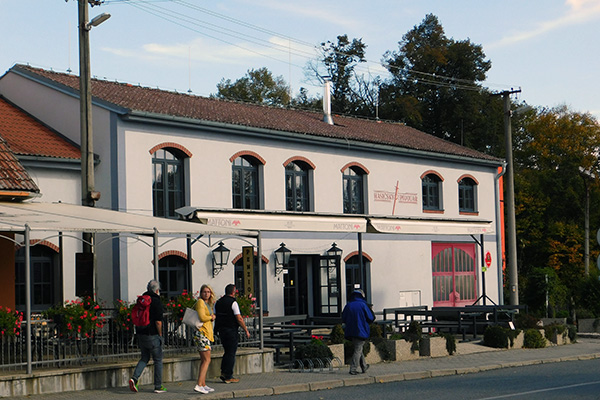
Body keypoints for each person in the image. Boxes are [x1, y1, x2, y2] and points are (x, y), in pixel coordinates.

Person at [129, 280, 167, 393]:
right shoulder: (156, 301)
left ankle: (134, 378)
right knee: (158, 360)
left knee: (144, 358)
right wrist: (160, 335)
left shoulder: (142, 299)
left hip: (141, 333)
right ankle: (158, 386)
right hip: (152, 334)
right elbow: (158, 321)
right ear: (157, 290)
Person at [214, 284, 250, 383]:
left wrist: (215, 330)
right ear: (233, 292)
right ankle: (228, 376)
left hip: (221, 330)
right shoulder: (233, 303)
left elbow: (216, 316)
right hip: (231, 330)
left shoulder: (218, 302)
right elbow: (239, 318)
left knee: (226, 351)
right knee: (231, 353)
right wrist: (246, 330)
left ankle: (223, 372)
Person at [341, 288, 375, 375]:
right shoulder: (363, 305)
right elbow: (371, 318)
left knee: (358, 348)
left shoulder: (348, 305)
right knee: (358, 349)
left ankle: (364, 366)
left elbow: (343, 318)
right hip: (361, 330)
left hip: (350, 330)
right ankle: (353, 369)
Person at [194, 284, 216, 394]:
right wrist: (211, 318)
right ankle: (199, 384)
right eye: (204, 292)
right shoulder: (200, 303)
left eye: (208, 292)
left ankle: (203, 383)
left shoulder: (208, 304)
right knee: (207, 360)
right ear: (201, 293)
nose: (206, 294)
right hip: (202, 333)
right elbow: (202, 317)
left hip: (207, 334)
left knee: (205, 360)